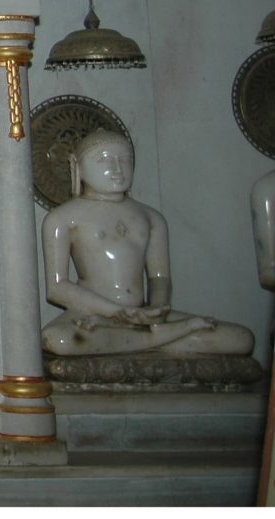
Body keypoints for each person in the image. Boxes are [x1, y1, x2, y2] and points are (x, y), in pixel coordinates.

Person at [40, 129, 254, 357]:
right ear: (78, 167)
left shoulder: (151, 218)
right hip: (91, 313)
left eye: (125, 160)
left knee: (241, 339)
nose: (117, 169)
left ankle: (144, 338)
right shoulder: (62, 218)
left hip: (143, 316)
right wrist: (116, 312)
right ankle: (170, 335)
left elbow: (159, 278)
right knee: (58, 339)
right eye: (103, 160)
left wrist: (155, 311)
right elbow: (57, 288)